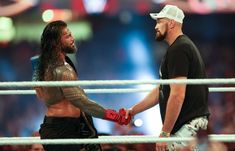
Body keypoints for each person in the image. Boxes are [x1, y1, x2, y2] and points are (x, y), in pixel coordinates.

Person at [31, 20, 132, 151]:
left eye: (71, 34)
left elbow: (41, 94)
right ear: (56, 42)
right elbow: (82, 103)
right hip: (60, 129)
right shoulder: (61, 71)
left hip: (69, 126)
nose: (73, 39)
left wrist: (36, 70)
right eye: (67, 36)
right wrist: (115, 117)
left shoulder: (56, 64)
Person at [125, 5, 210, 151]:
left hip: (189, 126)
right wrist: (134, 110)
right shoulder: (178, 47)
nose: (155, 27)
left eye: (159, 22)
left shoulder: (180, 49)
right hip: (189, 125)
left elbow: (177, 94)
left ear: (171, 23)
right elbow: (162, 89)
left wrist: (164, 133)